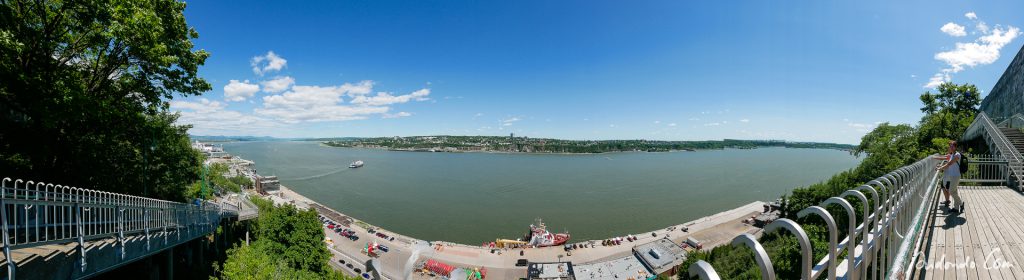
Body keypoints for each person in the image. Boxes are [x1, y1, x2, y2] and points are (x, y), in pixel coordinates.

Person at [933, 141, 964, 213]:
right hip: (952, 175)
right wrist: (940, 167)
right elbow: (947, 165)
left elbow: (950, 163)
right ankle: (956, 208)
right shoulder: (952, 155)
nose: (951, 147)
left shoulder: (957, 155)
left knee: (951, 191)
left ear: (955, 147)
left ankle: (961, 204)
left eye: (952, 146)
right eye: (950, 146)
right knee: (954, 191)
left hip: (956, 176)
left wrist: (940, 168)